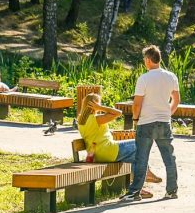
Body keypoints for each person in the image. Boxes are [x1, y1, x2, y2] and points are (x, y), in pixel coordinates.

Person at [120, 45, 180, 202]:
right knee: (169, 158)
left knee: (142, 158)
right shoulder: (171, 76)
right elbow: (176, 99)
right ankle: (172, 190)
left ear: (148, 60)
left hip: (146, 122)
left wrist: (135, 119)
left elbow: (137, 104)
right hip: (164, 122)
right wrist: (168, 113)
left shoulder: (144, 78)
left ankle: (135, 192)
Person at [77, 92, 162, 196]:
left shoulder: (81, 119)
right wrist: (101, 107)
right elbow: (118, 113)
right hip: (108, 151)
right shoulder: (97, 119)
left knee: (134, 156)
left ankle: (139, 187)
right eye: (99, 103)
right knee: (140, 144)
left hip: (97, 154)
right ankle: (144, 176)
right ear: (94, 104)